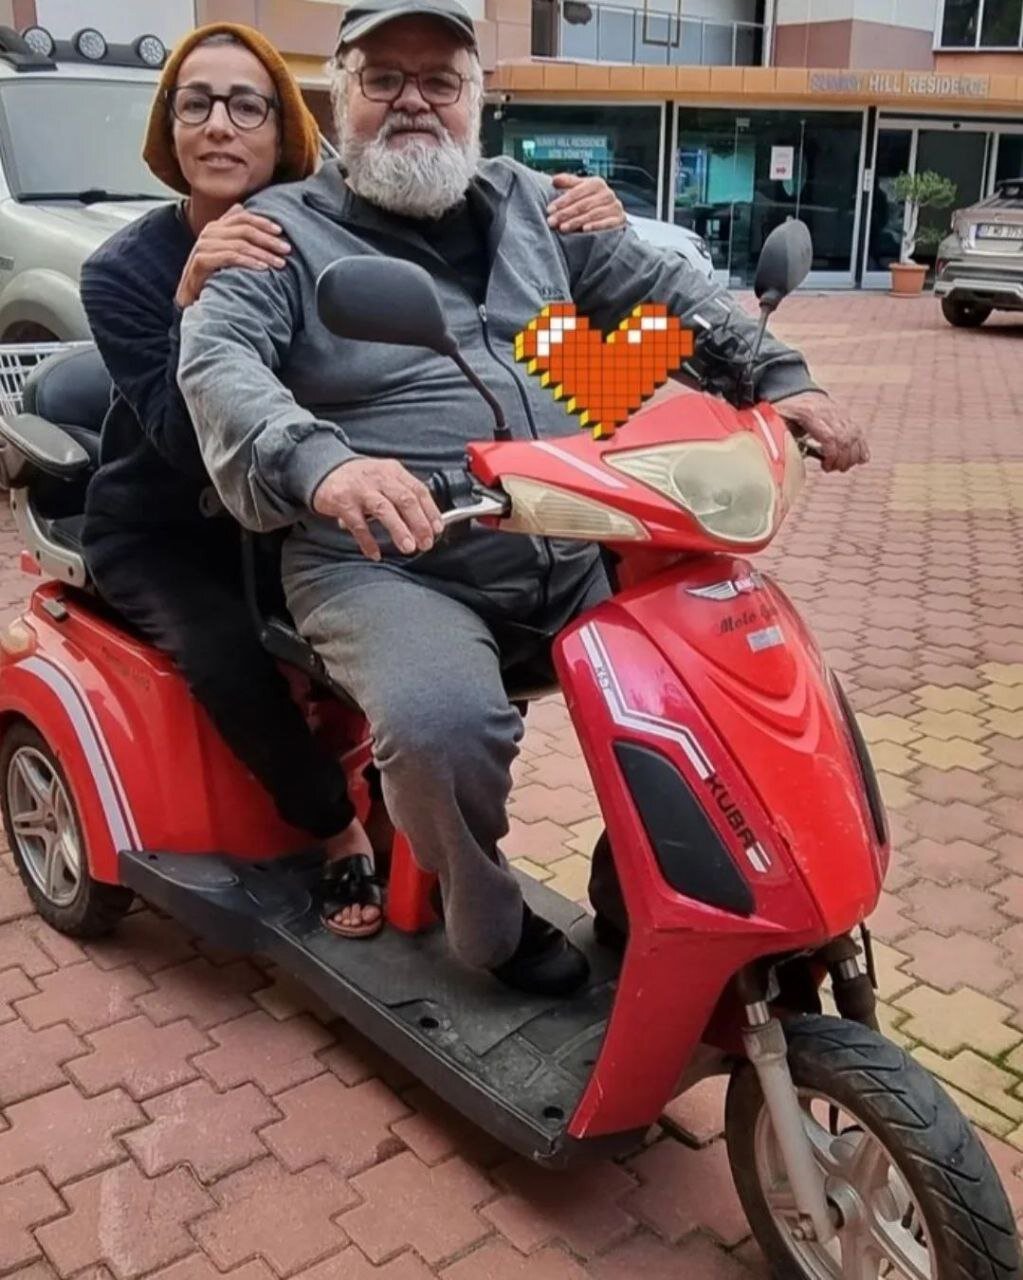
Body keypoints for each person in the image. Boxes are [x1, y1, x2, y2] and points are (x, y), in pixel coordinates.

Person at [177, 0, 869, 995]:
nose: (413, 101)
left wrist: (780, 378)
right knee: (439, 722)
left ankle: (644, 890)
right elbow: (220, 362)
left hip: (568, 525)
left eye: (440, 80)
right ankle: (488, 923)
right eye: (384, 79)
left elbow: (664, 295)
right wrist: (325, 464)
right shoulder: (278, 232)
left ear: (478, 100)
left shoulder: (541, 206)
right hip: (390, 556)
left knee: (719, 667)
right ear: (339, 99)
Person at [79, 20, 626, 941]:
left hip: (327, 510)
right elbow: (186, 432)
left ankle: (427, 817)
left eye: (247, 105)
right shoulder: (124, 269)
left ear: (287, 126)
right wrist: (193, 305)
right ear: (166, 127)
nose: (220, 125)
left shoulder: (339, 222)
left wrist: (605, 243)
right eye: (195, 105)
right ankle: (334, 831)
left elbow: (499, 353)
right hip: (179, 522)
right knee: (230, 654)